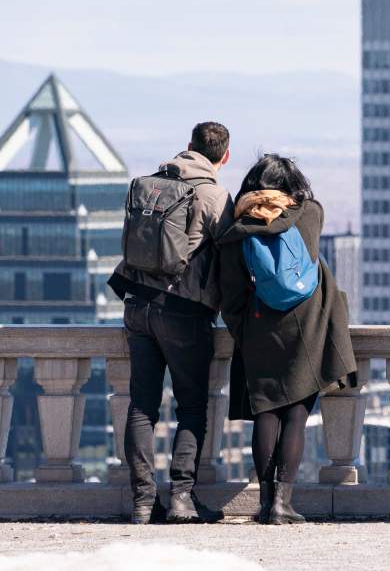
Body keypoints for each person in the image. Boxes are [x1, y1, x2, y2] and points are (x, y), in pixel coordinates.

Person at [217, 154, 359, 525]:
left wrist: (244, 327)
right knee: (296, 414)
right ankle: (283, 503)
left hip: (260, 324)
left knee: (266, 412)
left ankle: (265, 503)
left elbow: (230, 295)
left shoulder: (236, 231)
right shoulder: (310, 213)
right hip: (307, 326)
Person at [107, 122, 234, 524]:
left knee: (142, 407)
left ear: (187, 147)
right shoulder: (214, 195)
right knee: (192, 407)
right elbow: (232, 252)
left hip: (136, 306)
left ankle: (144, 502)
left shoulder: (150, 186)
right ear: (224, 157)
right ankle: (182, 498)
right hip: (184, 311)